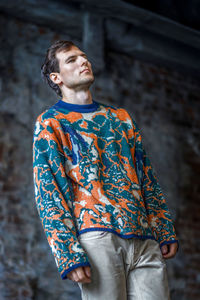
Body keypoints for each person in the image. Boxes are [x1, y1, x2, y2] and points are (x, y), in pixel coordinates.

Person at [33, 40, 179, 299]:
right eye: (72, 60)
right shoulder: (51, 123)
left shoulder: (121, 118)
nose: (83, 61)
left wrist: (163, 228)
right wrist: (68, 254)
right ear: (57, 78)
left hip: (143, 236)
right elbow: (49, 192)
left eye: (84, 56)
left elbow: (146, 177)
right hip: (97, 239)